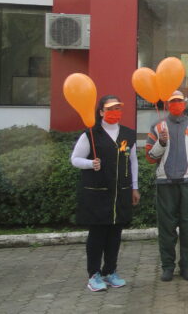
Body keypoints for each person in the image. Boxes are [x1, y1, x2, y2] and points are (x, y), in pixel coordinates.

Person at [71, 95, 140, 292]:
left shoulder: (128, 134)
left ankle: (110, 271)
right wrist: (90, 163)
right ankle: (94, 275)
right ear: (101, 112)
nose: (114, 112)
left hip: (121, 192)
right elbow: (75, 159)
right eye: (110, 109)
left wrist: (135, 187)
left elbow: (132, 162)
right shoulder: (91, 134)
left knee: (115, 234)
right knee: (97, 235)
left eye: (118, 108)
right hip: (97, 194)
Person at [146, 90, 188, 282]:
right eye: (173, 101)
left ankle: (187, 267)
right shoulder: (157, 127)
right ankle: (167, 267)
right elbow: (150, 157)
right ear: (167, 104)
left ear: (185, 104)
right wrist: (161, 143)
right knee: (166, 228)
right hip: (165, 184)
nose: (176, 104)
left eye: (179, 101)